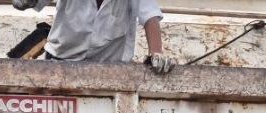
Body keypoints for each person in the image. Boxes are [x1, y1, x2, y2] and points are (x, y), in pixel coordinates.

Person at [12, 0, 174, 72]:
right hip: (59, 64)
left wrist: (156, 54)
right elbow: (24, 3)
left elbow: (150, 17)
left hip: (111, 71)